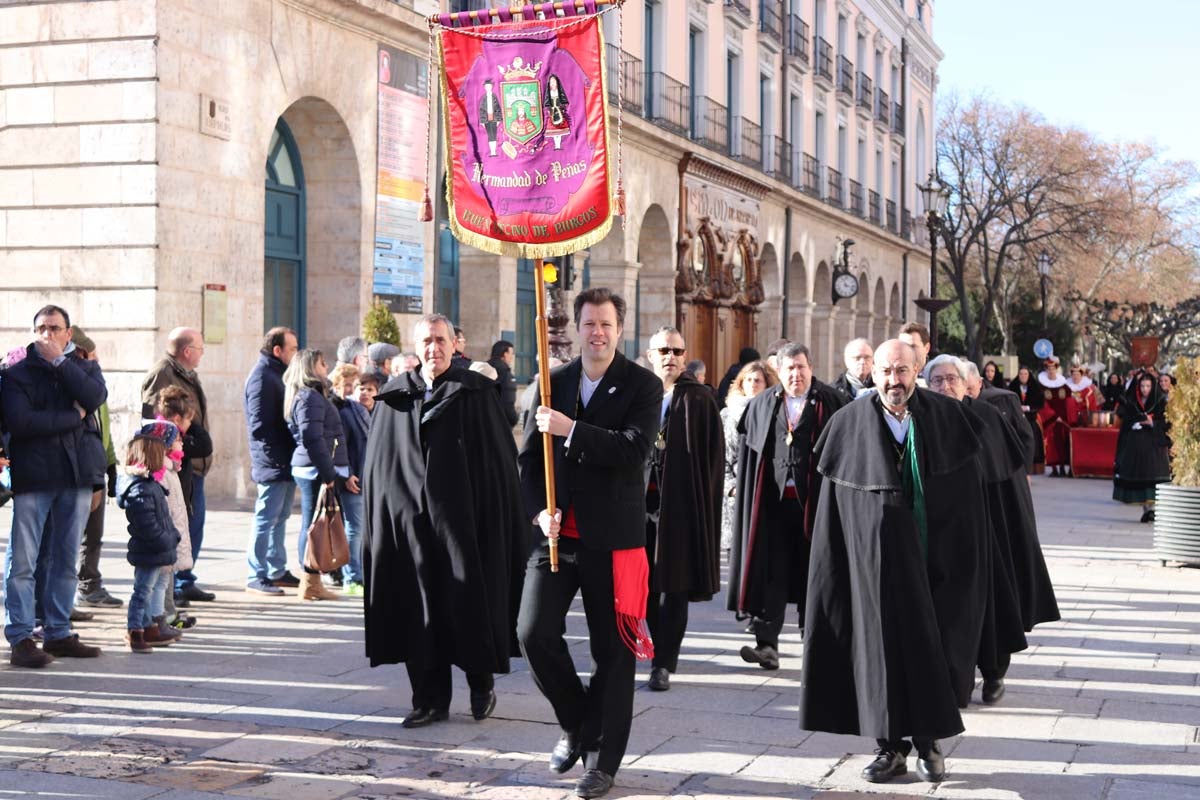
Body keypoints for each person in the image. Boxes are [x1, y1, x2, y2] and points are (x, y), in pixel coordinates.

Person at [799, 339, 988, 785]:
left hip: (932, 563)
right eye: (885, 371)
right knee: (878, 654)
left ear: (917, 369)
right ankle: (889, 748)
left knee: (930, 651)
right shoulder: (848, 425)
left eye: (902, 371)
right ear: (873, 374)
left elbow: (968, 503)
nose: (893, 381)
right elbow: (833, 516)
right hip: (873, 568)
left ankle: (929, 743)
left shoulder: (947, 419)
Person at [516, 288, 661, 800]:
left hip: (614, 540)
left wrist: (572, 429)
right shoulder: (552, 382)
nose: (597, 333)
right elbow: (530, 461)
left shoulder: (643, 385)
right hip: (557, 538)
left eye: (606, 324)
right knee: (532, 633)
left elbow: (634, 451)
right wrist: (539, 510)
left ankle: (602, 762)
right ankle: (576, 722)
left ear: (620, 329)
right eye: (588, 324)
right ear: (576, 328)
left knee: (613, 655)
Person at [362, 314, 527, 729]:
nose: (433, 348)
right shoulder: (394, 397)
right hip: (411, 528)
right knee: (418, 609)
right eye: (426, 341)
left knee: (469, 601)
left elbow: (497, 465)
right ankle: (429, 699)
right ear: (415, 347)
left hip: (464, 523)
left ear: (455, 344)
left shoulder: (475, 392)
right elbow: (380, 468)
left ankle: (480, 684)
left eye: (440, 340)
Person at [728, 343, 846, 671]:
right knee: (772, 573)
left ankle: (816, 645)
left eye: (801, 367)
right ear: (779, 371)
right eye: (789, 368)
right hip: (774, 506)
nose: (796, 374)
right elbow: (749, 455)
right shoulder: (763, 404)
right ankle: (767, 645)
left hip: (817, 506)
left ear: (811, 368)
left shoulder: (831, 402)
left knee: (817, 574)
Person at [2, 305, 106, 668]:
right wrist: (72, 417)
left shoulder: (81, 365)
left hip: (75, 475)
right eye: (41, 328)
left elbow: (95, 398)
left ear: (68, 332)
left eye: (54, 328)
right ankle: (20, 635)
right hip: (35, 476)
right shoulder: (16, 372)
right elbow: (22, 422)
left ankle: (59, 631)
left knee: (65, 559)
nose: (47, 334)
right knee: (24, 560)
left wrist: (61, 365)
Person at [926, 355, 1030, 706]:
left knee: (992, 606)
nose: (944, 386)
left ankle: (994, 673)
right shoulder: (920, 420)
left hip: (987, 532)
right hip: (938, 533)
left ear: (967, 382)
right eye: (937, 380)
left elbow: (1007, 482)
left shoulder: (987, 417)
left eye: (951, 379)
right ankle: (953, 680)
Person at [642, 327, 723, 692]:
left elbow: (711, 461)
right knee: (642, 586)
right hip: (639, 504)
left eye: (677, 350)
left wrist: (700, 509)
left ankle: (663, 662)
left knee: (671, 587)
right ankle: (651, 643)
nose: (670, 357)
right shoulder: (638, 393)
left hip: (679, 507)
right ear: (650, 354)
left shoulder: (699, 399)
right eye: (663, 350)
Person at [140, 326, 215, 603]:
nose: (202, 354)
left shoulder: (188, 375)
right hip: (176, 466)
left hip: (193, 465)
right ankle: (170, 591)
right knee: (177, 530)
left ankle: (184, 580)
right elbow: (154, 421)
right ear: (186, 351)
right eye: (200, 349)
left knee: (193, 527)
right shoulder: (163, 373)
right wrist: (171, 452)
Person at [284, 349, 347, 601]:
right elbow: (312, 437)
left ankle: (313, 580)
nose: (326, 366)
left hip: (314, 466)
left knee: (313, 522)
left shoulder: (311, 395)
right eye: (322, 363)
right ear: (311, 367)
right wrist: (328, 472)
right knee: (313, 524)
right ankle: (310, 581)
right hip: (315, 468)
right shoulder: (309, 397)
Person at [244, 327, 301, 595]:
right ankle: (256, 573)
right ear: (277, 350)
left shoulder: (278, 375)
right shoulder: (262, 378)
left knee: (281, 516)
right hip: (272, 460)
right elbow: (259, 425)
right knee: (266, 517)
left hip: (284, 459)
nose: (295, 353)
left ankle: (277, 569)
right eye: (292, 348)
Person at [116, 433, 182, 654]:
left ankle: (147, 626)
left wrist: (172, 536)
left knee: (147, 589)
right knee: (142, 591)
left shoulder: (149, 484)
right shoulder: (140, 489)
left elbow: (163, 518)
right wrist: (167, 540)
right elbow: (148, 525)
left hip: (157, 549)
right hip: (150, 550)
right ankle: (134, 631)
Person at [70, 327, 122, 609]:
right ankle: (74, 592)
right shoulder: (77, 388)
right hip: (81, 472)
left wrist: (111, 464)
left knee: (94, 535)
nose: (97, 357)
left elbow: (105, 431)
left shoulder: (95, 388)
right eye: (92, 352)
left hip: (97, 468)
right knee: (75, 535)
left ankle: (90, 584)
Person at [719, 361, 778, 551]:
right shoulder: (727, 415)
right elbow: (721, 457)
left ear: (767, 385)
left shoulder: (775, 413)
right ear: (741, 383)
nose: (753, 384)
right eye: (749, 379)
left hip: (765, 493)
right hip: (736, 496)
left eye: (758, 380)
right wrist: (732, 489)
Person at [332, 366, 379, 594]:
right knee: (354, 529)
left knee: (367, 530)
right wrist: (347, 473)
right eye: (360, 388)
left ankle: (364, 572)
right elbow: (341, 447)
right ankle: (352, 577)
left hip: (374, 481)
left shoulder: (378, 414)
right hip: (355, 479)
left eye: (369, 389)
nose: (364, 393)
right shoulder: (347, 412)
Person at [1113, 371, 1172, 523]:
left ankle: (1152, 509)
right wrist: (1133, 423)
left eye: (1148, 386)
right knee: (1139, 476)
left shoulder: (1160, 401)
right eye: (1143, 386)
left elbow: (1167, 424)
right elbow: (1123, 420)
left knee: (1153, 477)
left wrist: (1152, 423)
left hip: (1153, 446)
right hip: (1135, 445)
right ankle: (1146, 509)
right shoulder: (1131, 401)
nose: (1145, 389)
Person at [966, 361, 1037, 472]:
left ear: (979, 382)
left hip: (1004, 465)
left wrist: (1025, 470)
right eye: (987, 371)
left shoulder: (1005, 398)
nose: (966, 393)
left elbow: (1025, 436)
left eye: (970, 388)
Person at [1037, 356, 1076, 476]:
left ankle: (1065, 468)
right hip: (1051, 421)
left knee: (1065, 443)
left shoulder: (1064, 385)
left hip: (1064, 420)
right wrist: (1053, 417)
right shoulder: (1042, 386)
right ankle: (1054, 469)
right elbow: (1042, 404)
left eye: (1053, 368)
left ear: (1056, 369)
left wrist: (1067, 418)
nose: (1051, 371)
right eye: (1049, 368)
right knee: (1052, 444)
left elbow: (1070, 402)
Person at [1009, 366, 1045, 471]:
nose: (1023, 376)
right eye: (1021, 374)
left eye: (1025, 374)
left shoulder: (1036, 387)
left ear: (1028, 375)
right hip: (1017, 418)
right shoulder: (1013, 386)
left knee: (1032, 441)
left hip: (1031, 417)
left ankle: (1033, 466)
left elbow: (1040, 402)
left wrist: (1029, 407)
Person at [488, 340, 520, 427]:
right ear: (505, 354)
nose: (512, 357)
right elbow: (508, 402)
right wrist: (514, 419)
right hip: (501, 423)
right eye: (511, 353)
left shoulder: (485, 369)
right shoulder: (505, 373)